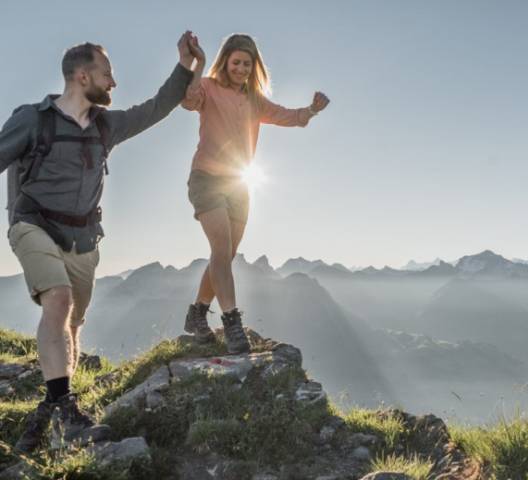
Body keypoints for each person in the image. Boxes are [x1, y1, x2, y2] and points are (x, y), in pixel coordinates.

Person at [0, 31, 198, 453]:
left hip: (84, 237)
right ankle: (70, 415)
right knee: (58, 298)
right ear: (82, 75)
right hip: (32, 224)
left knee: (71, 323)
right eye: (107, 73)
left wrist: (185, 67)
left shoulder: (107, 126)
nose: (114, 82)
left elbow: (156, 108)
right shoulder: (33, 120)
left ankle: (51, 405)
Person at [181, 33, 330, 352]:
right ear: (226, 61)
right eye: (236, 62)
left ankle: (196, 314)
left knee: (227, 254)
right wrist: (199, 64)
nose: (241, 69)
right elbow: (188, 100)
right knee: (221, 249)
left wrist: (312, 111)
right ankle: (232, 323)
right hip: (206, 177)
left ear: (254, 66)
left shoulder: (254, 99)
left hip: (239, 182)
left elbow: (287, 116)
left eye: (247, 64)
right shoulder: (208, 86)